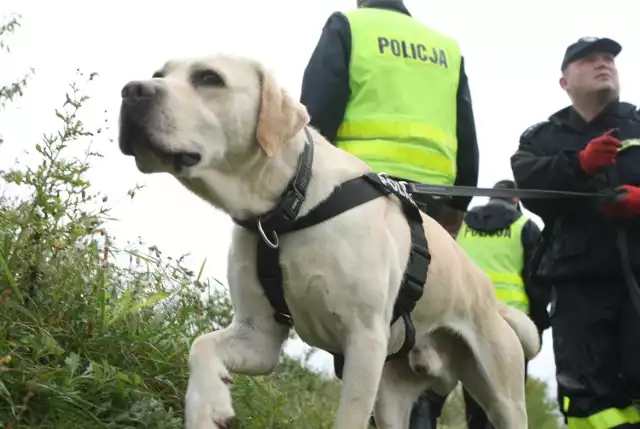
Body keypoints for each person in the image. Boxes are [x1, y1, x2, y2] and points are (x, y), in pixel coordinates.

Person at [299, 0, 480, 427]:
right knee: (418, 335)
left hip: (358, 202)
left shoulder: (349, 25)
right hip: (430, 210)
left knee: (360, 332)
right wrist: (456, 209)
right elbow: (467, 140)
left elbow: (315, 119)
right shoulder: (445, 48)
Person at [511, 36, 640, 429]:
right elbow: (529, 183)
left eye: (609, 59)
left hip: (636, 279)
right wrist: (579, 165)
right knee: (587, 397)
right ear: (565, 82)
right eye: (588, 60)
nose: (603, 64)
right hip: (577, 288)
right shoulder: (543, 139)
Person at [454, 179, 548, 429]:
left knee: (475, 404)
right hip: (512, 325)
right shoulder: (524, 226)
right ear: (516, 200)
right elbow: (537, 281)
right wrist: (539, 323)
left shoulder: (462, 225)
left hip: (467, 323)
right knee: (508, 403)